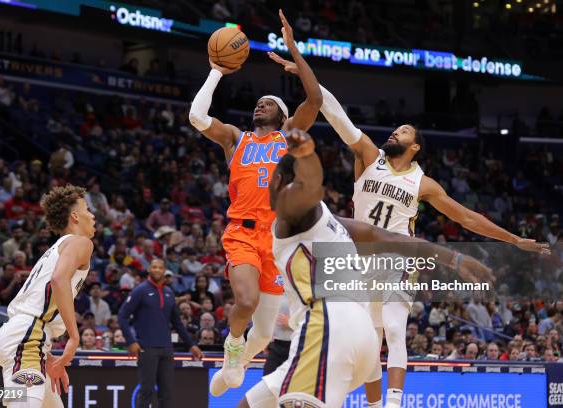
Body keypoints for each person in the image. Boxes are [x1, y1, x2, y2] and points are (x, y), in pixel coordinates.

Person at [268, 51, 550, 408]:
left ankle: (394, 402)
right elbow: (335, 114)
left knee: (394, 329)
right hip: (357, 258)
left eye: (402, 131)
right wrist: (309, 76)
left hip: (398, 260)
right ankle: (373, 405)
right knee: (368, 338)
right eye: (395, 128)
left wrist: (512, 240)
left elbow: (466, 218)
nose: (394, 131)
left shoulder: (423, 183)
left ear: (414, 146)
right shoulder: (369, 156)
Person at [239, 129, 493, 407]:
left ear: (277, 182)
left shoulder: (290, 218)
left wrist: (307, 156)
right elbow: (392, 238)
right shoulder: (330, 220)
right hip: (360, 338)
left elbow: (309, 187)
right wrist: (454, 259)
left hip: (329, 330)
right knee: (253, 402)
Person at [189, 10, 323, 395]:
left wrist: (295, 51)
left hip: (277, 241)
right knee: (245, 301)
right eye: (258, 102)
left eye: (268, 103)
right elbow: (198, 116)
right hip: (242, 233)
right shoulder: (236, 138)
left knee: (265, 332)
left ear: (283, 116)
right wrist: (217, 71)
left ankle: (238, 364)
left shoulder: (290, 138)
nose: (259, 105)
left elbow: (314, 98)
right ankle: (233, 351)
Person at [0, 185, 95, 408]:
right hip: (28, 337)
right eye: (88, 209)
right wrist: (74, 338)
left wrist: (47, 358)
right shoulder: (81, 242)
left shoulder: (57, 247)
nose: (93, 215)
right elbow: (59, 280)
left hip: (30, 338)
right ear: (75, 216)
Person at [118, 258, 203, 408]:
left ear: (164, 271)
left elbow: (177, 323)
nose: (157, 270)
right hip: (146, 347)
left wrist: (191, 345)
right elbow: (122, 315)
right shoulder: (140, 290)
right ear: (149, 269)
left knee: (167, 393)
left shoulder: (169, 292)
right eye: (154, 267)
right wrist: (131, 341)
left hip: (166, 349)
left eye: (160, 267)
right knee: (146, 391)